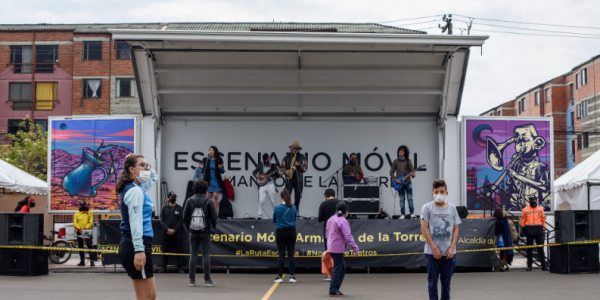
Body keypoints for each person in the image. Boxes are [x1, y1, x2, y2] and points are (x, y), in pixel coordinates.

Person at [116, 153, 158, 300]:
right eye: (143, 165)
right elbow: (135, 222)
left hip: (141, 243)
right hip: (135, 244)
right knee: (145, 297)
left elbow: (154, 177)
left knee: (150, 296)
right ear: (132, 170)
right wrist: (139, 250)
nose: (147, 168)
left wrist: (144, 164)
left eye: (148, 165)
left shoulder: (139, 187)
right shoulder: (134, 190)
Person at [421, 179, 461, 300]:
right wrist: (434, 248)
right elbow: (424, 230)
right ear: (432, 193)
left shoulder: (452, 208)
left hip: (449, 253)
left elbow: (455, 229)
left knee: (446, 283)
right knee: (432, 283)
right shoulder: (427, 208)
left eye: (442, 191)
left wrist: (452, 248)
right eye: (436, 192)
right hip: (431, 253)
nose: (439, 194)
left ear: (446, 193)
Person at [184, 180, 218, 287]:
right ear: (205, 188)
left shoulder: (189, 200)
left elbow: (184, 218)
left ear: (194, 188)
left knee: (193, 255)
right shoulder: (209, 200)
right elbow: (214, 217)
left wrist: (189, 228)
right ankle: (207, 280)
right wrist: (211, 228)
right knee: (206, 255)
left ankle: (191, 280)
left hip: (193, 231)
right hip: (205, 231)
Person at [326, 202, 359, 296]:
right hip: (338, 248)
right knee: (338, 268)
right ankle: (334, 289)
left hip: (331, 247)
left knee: (342, 267)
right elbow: (348, 237)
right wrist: (355, 249)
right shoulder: (343, 221)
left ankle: (335, 288)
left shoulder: (331, 219)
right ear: (346, 211)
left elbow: (327, 233)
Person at [272, 188, 298, 283]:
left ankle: (279, 276)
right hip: (291, 232)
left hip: (280, 233)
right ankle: (292, 276)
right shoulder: (293, 207)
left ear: (281, 197)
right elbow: (294, 219)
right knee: (290, 254)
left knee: (281, 254)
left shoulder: (277, 208)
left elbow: (274, 220)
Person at [317, 188, 342, 281]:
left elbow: (320, 219)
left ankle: (330, 275)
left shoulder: (323, 204)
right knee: (338, 253)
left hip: (328, 231)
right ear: (334, 195)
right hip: (339, 231)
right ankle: (338, 273)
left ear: (325, 196)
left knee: (329, 253)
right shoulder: (340, 203)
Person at [159, 191, 184, 274]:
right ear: (168, 198)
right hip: (166, 232)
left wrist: (174, 230)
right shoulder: (164, 208)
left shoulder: (179, 208)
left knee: (178, 250)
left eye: (174, 197)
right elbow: (162, 220)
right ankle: (163, 268)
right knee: (165, 249)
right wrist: (167, 229)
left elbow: (181, 221)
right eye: (172, 197)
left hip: (176, 232)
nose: (173, 199)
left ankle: (180, 268)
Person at [520, 196, 548, 271]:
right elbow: (522, 220)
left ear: (536, 200)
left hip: (539, 230)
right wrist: (523, 229)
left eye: (533, 200)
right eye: (530, 200)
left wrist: (543, 230)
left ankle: (544, 266)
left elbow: (543, 220)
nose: (531, 201)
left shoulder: (540, 209)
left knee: (540, 249)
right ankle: (529, 266)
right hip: (529, 230)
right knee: (529, 249)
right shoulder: (525, 210)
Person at [279, 141, 308, 212]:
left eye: (296, 149)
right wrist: (285, 171)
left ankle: (295, 212)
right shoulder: (286, 157)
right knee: (286, 196)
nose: (295, 150)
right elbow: (281, 168)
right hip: (289, 179)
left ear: (298, 149)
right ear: (291, 149)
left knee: (297, 197)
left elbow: (305, 168)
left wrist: (299, 165)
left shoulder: (302, 157)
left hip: (299, 180)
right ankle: (286, 212)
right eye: (293, 148)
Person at [390, 145, 415, 219]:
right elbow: (391, 172)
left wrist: (413, 175)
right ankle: (402, 214)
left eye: (402, 150)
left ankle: (412, 214)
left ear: (405, 152)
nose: (401, 151)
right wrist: (395, 179)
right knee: (401, 199)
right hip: (400, 183)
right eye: (400, 150)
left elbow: (412, 172)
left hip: (408, 182)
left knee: (410, 198)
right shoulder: (395, 161)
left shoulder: (409, 161)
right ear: (398, 152)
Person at [252, 153, 280, 219]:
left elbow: (277, 175)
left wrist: (281, 173)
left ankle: (274, 215)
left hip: (271, 184)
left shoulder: (273, 166)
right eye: (266, 158)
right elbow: (254, 172)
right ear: (264, 159)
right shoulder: (260, 165)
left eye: (268, 158)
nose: (267, 159)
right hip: (262, 185)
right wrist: (257, 176)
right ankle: (259, 215)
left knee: (273, 201)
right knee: (261, 200)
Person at [198, 146, 225, 212]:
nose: (211, 151)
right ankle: (209, 212)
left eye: (212, 150)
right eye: (210, 150)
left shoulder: (219, 159)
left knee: (215, 196)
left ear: (215, 151)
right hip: (208, 180)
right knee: (208, 197)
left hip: (216, 180)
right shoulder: (205, 159)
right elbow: (203, 171)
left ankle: (215, 212)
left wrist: (221, 168)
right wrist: (202, 168)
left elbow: (222, 171)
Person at [74, 201, 96, 267]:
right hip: (79, 231)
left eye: (84, 205)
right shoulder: (77, 213)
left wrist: (85, 229)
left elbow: (91, 222)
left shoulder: (90, 213)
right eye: (82, 205)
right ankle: (82, 261)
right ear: (80, 206)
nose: (83, 206)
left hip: (87, 231)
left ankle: (92, 261)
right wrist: (79, 229)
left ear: (86, 205)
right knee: (80, 246)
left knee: (89, 245)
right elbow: (75, 222)